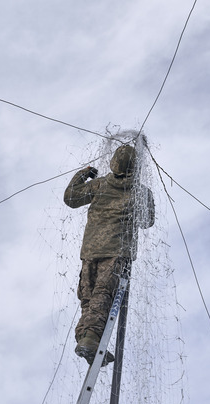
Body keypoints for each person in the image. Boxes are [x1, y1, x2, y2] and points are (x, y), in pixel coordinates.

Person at [63, 144, 155, 365]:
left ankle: (86, 340)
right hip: (116, 252)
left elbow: (71, 198)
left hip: (90, 251)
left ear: (113, 163)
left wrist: (83, 173)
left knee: (88, 297)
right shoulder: (140, 192)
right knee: (103, 296)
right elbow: (147, 221)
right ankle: (90, 339)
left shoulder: (100, 184)